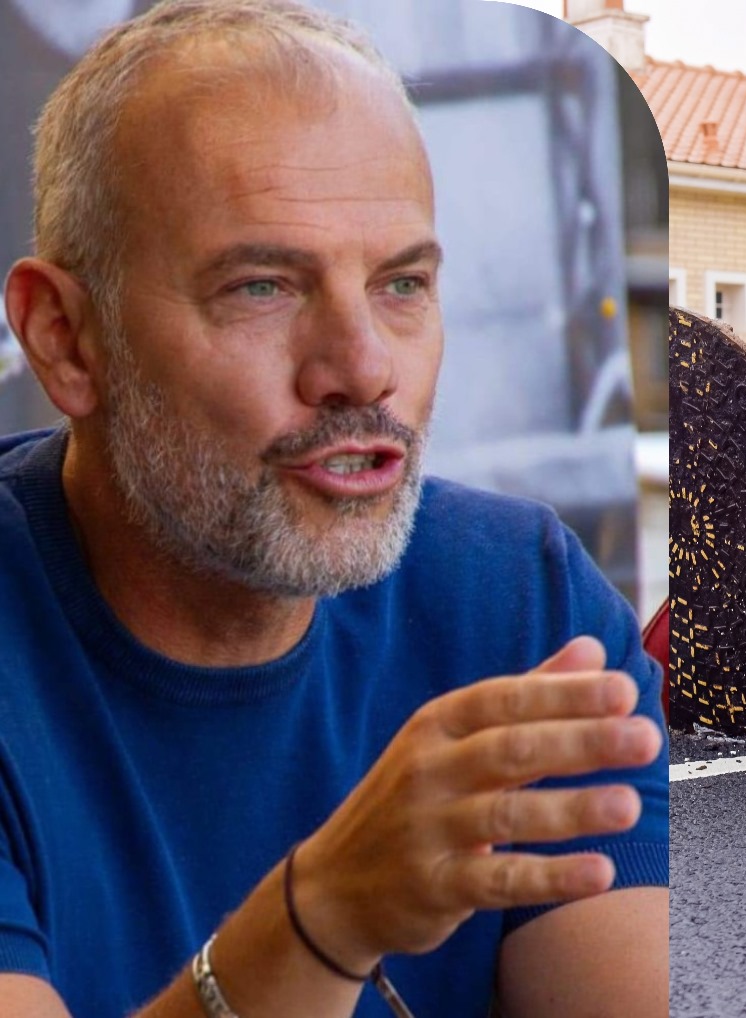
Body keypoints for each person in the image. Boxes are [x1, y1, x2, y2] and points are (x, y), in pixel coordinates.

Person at [0, 1, 666, 1015]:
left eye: (401, 284)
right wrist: (320, 922)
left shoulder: (518, 599)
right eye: (262, 286)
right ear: (65, 339)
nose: (362, 368)